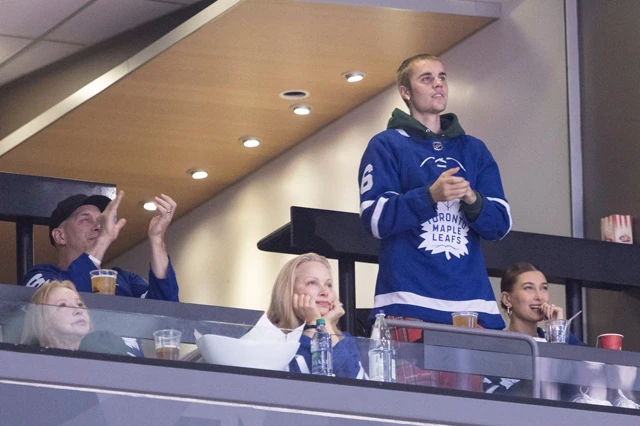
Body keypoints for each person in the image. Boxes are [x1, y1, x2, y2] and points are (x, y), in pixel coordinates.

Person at [358, 53, 511, 331]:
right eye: (427, 79)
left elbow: (500, 224)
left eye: (442, 78)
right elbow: (375, 219)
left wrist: (472, 199)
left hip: (473, 306)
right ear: (405, 92)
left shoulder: (474, 149)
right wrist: (429, 196)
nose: (438, 84)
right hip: (407, 302)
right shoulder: (385, 145)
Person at [21, 191, 179, 301]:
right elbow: (57, 304)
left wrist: (157, 238)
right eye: (85, 219)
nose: (98, 226)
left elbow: (166, 309)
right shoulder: (40, 275)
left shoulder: (125, 279)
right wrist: (103, 239)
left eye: (100, 220)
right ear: (60, 236)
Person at [267, 253, 365, 379]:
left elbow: (355, 382)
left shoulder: (345, 340)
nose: (325, 292)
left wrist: (323, 324)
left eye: (328, 285)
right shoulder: (269, 337)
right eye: (312, 283)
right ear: (289, 291)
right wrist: (313, 324)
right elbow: (293, 380)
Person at [20, 280, 142, 356]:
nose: (78, 310)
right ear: (43, 321)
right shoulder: (30, 365)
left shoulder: (111, 350)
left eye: (79, 304)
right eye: (62, 305)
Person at [499, 262, 583, 345]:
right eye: (528, 288)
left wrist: (557, 330)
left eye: (544, 288)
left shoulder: (555, 338)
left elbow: (584, 352)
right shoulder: (498, 342)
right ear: (507, 299)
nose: (539, 297)